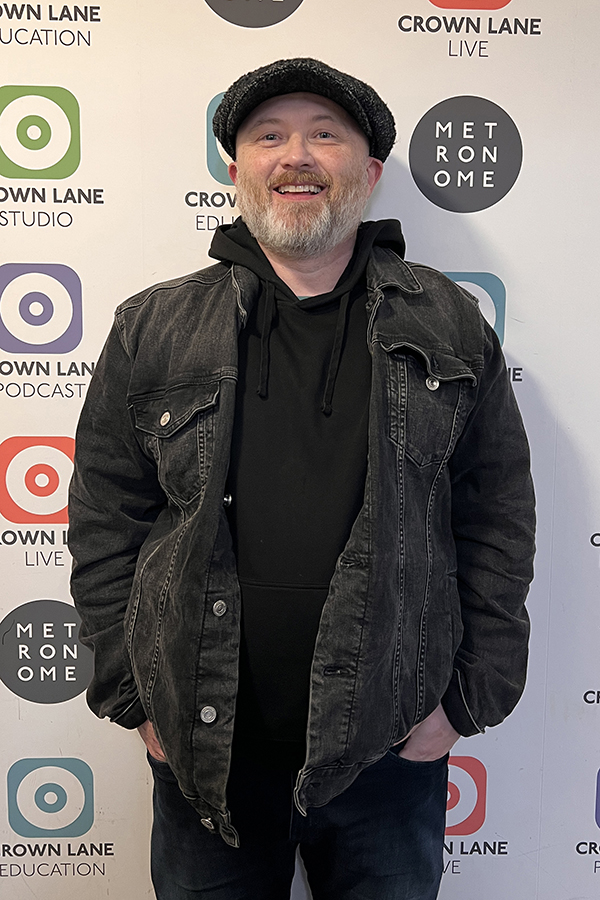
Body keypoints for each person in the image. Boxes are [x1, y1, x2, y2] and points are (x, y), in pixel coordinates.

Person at [68, 57, 536, 900]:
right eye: (269, 136)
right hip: (205, 759)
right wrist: (135, 698)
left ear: (371, 172)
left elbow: (497, 511)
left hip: (389, 756)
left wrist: (466, 702)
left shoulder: (447, 321)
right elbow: (107, 516)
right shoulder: (154, 327)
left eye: (326, 135)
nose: (298, 157)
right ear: (238, 166)